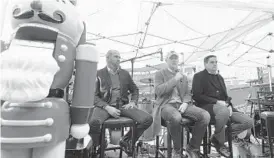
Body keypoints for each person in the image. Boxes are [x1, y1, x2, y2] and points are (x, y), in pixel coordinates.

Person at [89, 50, 153, 156]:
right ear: (107, 58)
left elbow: (135, 90)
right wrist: (107, 107)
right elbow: (93, 96)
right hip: (104, 107)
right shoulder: (98, 74)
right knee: (93, 123)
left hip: (123, 106)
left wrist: (133, 102)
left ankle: (127, 140)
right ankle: (100, 144)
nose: (119, 59)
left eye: (119, 57)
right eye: (116, 56)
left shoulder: (125, 74)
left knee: (147, 119)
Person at [192, 55, 254, 157]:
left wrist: (228, 104)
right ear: (205, 64)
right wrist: (217, 102)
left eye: (216, 62)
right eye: (212, 62)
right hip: (207, 108)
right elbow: (197, 96)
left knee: (249, 122)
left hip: (224, 107)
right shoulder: (198, 76)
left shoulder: (219, 77)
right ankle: (220, 144)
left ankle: (216, 138)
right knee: (223, 111)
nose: (215, 64)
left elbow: (225, 96)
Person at [152, 51, 210, 158]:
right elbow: (159, 91)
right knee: (176, 117)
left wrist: (185, 103)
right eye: (171, 58)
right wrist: (174, 79)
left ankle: (192, 147)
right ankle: (177, 151)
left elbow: (188, 93)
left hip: (181, 104)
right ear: (166, 61)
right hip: (166, 105)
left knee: (205, 115)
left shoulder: (183, 76)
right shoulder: (160, 74)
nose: (174, 60)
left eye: (176, 58)